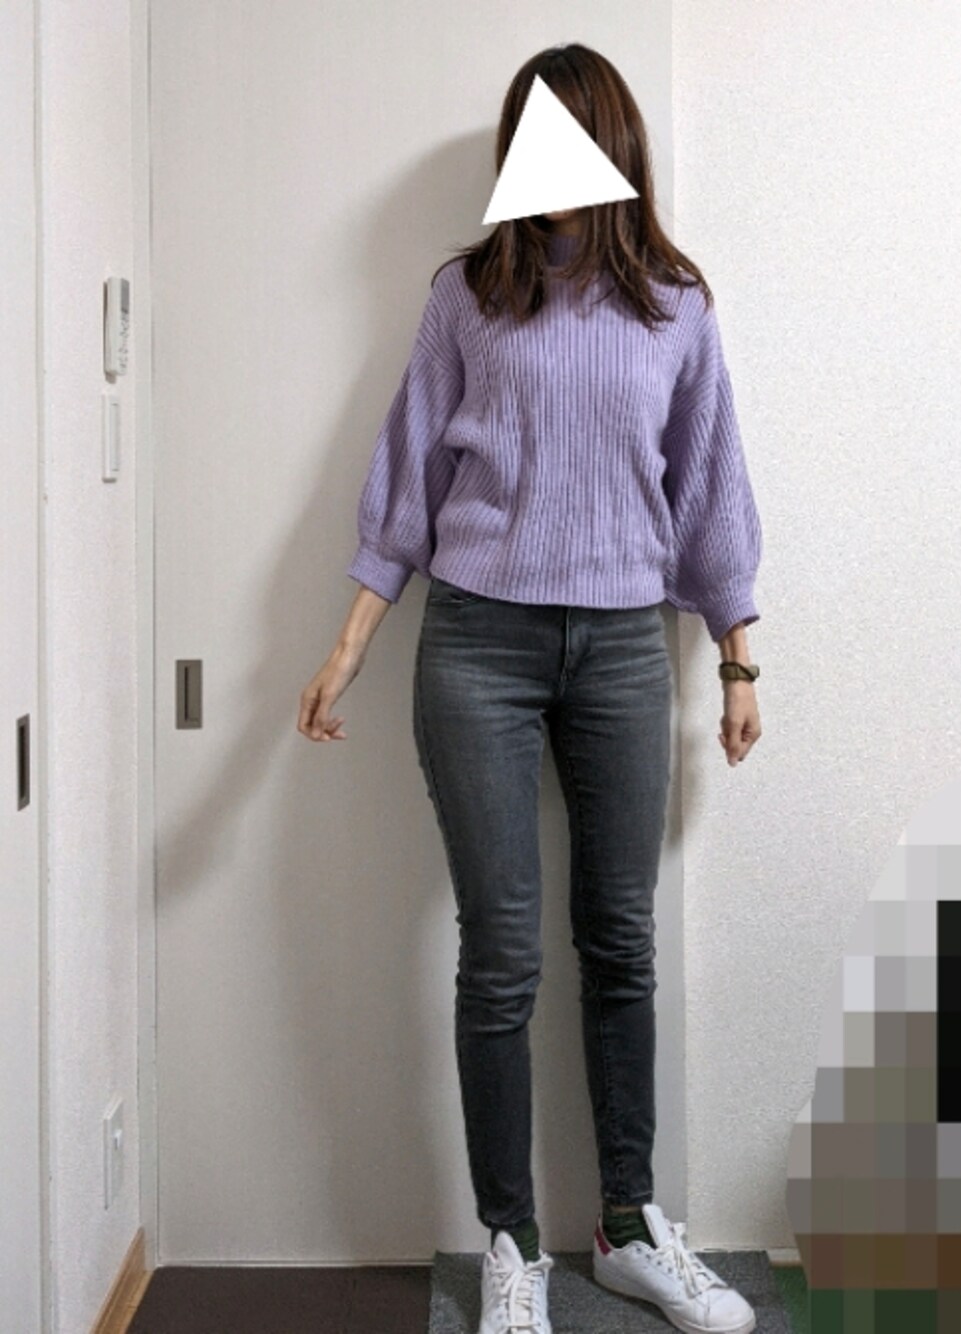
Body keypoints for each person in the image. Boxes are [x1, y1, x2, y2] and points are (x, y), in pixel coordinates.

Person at [299, 42, 762, 1334]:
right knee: (499, 955)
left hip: (622, 645)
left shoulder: (675, 304)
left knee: (619, 941)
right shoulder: (468, 295)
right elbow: (408, 476)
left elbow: (710, 487)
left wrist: (737, 656)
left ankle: (628, 1228)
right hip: (478, 644)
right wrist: (349, 645)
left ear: (615, 144)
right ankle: (510, 1244)